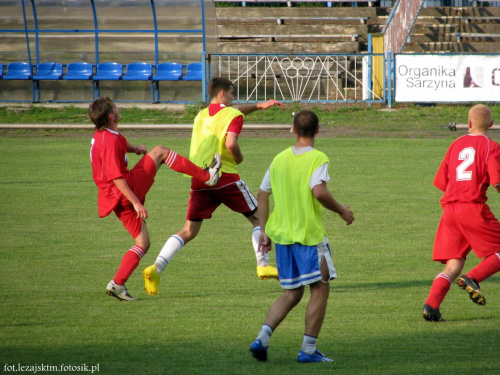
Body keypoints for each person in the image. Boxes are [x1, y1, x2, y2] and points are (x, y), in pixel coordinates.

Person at [142, 77, 285, 295]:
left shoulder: (200, 115)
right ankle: (263, 265)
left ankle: (156, 268)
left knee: (189, 230)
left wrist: (258, 106)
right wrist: (239, 158)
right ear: (223, 94)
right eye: (232, 93)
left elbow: (231, 113)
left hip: (200, 179)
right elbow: (230, 141)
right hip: (224, 176)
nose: (234, 97)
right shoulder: (233, 114)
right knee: (259, 218)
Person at [89, 97, 221, 301]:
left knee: (142, 242)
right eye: (116, 106)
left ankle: (117, 283)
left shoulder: (103, 134)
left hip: (113, 198)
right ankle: (208, 176)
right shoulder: (110, 140)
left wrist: (136, 149)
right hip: (125, 190)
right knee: (161, 152)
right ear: (111, 116)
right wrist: (136, 202)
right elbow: (116, 177)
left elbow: (119, 145)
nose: (119, 106)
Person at [249, 110, 354, 363]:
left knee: (292, 293)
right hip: (309, 237)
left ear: (293, 130)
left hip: (283, 238)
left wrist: (263, 231)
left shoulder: (279, 159)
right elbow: (319, 192)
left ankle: (262, 338)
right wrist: (342, 210)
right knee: (320, 289)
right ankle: (308, 350)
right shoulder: (318, 158)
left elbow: (262, 194)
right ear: (318, 130)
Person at [422, 104, 500, 322]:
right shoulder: (491, 146)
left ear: (468, 123)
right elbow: (497, 182)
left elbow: (442, 181)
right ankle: (473, 278)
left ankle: (431, 306)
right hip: (472, 207)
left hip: (449, 209)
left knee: (454, 263)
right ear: (492, 124)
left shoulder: (455, 144)